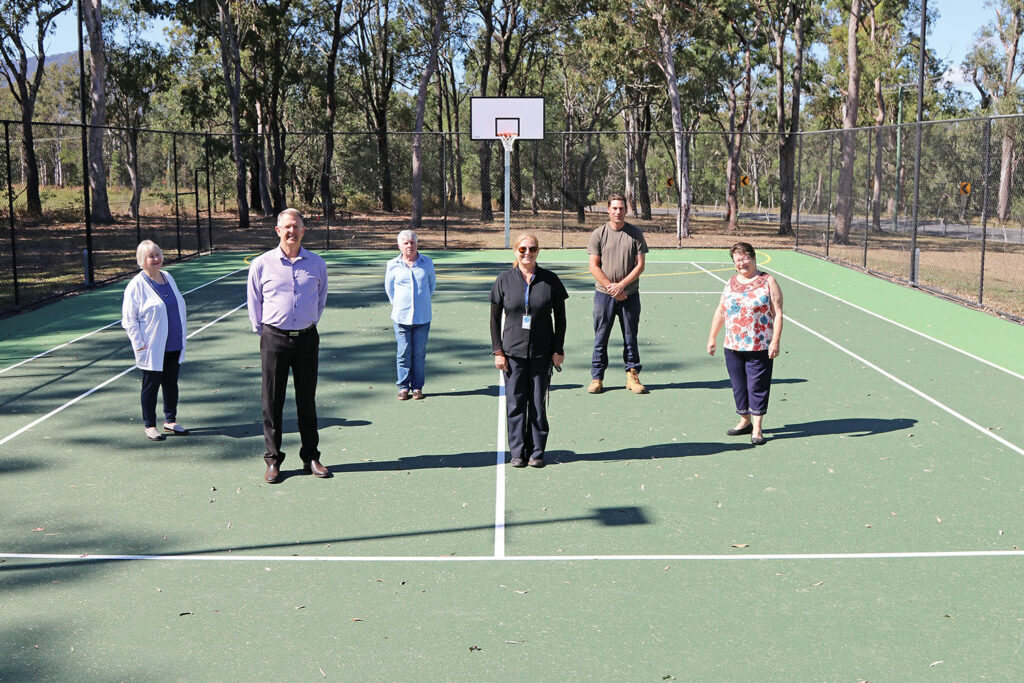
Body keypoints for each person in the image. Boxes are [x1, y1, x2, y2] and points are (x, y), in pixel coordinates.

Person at [247, 208, 330, 483]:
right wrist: (268, 332)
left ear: (304, 231)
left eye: (296, 226)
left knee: (307, 400)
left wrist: (305, 323)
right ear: (278, 231)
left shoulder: (317, 263)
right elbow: (254, 303)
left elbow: (320, 300)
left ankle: (311, 457)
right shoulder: (261, 264)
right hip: (274, 340)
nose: (291, 231)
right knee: (272, 402)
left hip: (307, 339)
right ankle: (273, 460)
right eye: (287, 227)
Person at [490, 233, 568, 468]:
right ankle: (517, 452)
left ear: (538, 251)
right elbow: (494, 320)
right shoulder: (504, 280)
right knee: (515, 403)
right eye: (523, 249)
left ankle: (536, 451)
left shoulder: (550, 280)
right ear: (515, 251)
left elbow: (561, 319)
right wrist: (498, 352)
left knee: (536, 403)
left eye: (532, 249)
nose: (527, 253)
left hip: (542, 353)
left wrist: (558, 349)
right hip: (512, 353)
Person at [706, 242, 784, 446]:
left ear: (753, 257)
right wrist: (712, 337)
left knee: (757, 386)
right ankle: (745, 421)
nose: (741, 264)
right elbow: (721, 310)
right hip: (733, 345)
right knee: (739, 386)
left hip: (759, 345)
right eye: (737, 260)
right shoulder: (731, 282)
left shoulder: (768, 281)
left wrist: (775, 340)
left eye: (744, 258)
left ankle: (757, 428)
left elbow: (777, 313)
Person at [121, 240, 189, 442]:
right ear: (142, 260)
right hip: (152, 346)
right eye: (151, 256)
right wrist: (139, 344)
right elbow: (129, 320)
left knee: (171, 384)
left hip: (174, 343)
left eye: (158, 254)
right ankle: (150, 425)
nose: (156, 259)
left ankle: (170, 420)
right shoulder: (136, 286)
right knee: (151, 386)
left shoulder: (168, 277)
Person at [587, 193, 649, 394]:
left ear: (626, 210)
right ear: (608, 210)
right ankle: (597, 378)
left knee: (631, 337)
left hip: (629, 295)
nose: (618, 212)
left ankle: (632, 376)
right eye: (614, 208)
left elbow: (640, 266)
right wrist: (611, 289)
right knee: (601, 336)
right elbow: (594, 266)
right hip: (603, 296)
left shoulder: (635, 233)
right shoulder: (599, 234)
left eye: (621, 208)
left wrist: (621, 286)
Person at [385, 230, 436, 400]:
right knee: (403, 353)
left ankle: (417, 387)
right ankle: (403, 387)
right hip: (401, 318)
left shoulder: (427, 262)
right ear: (399, 245)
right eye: (405, 243)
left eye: (412, 242)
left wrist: (420, 303)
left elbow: (431, 286)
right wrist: (400, 306)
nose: (409, 246)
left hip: (422, 317)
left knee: (419, 354)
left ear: (417, 244)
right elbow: (390, 290)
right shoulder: (392, 265)